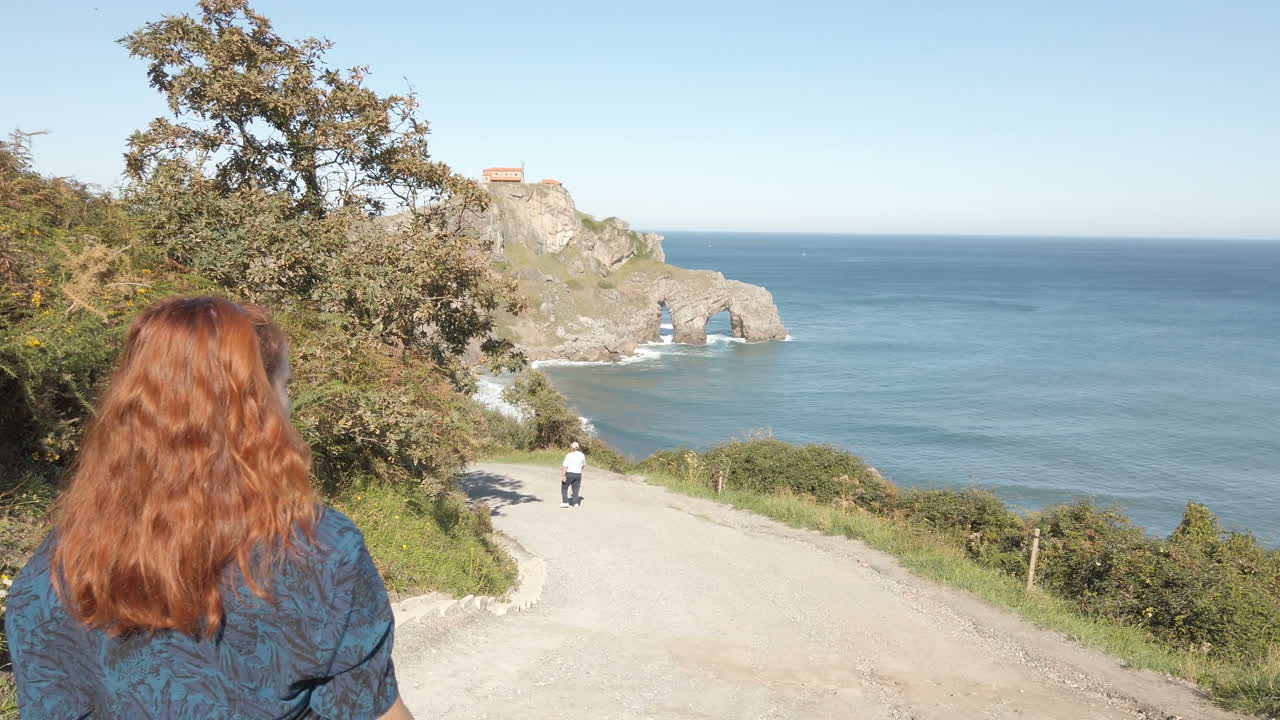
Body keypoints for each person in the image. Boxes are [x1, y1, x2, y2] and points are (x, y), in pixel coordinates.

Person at [4, 297, 414, 720]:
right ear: (258, 411)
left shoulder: (53, 574)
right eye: (285, 386)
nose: (290, 405)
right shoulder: (319, 551)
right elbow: (375, 710)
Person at [561, 440, 587, 508]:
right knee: (576, 489)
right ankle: (576, 503)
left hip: (569, 473)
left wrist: (563, 475)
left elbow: (565, 466)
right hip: (578, 474)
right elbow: (583, 465)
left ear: (572, 447)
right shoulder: (582, 455)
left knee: (564, 487)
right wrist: (579, 470)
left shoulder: (569, 455)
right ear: (578, 447)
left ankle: (565, 502)